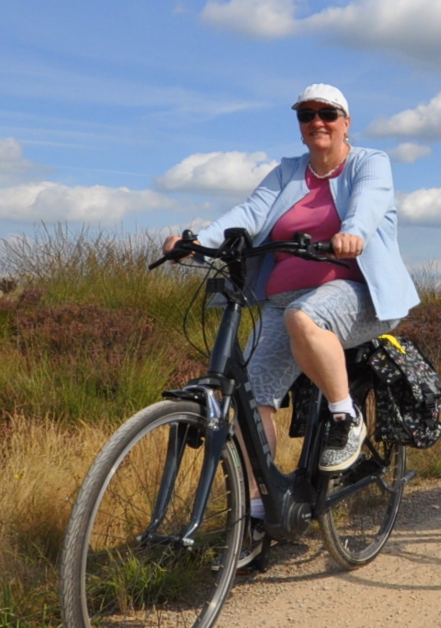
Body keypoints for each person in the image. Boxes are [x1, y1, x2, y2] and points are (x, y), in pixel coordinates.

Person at [168, 83, 419, 475]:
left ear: (346, 123)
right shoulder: (287, 171)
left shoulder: (369, 162)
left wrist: (353, 233)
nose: (317, 121)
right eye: (307, 115)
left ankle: (344, 416)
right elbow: (250, 213)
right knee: (250, 402)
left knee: (304, 317)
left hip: (357, 294)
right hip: (283, 300)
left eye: (328, 114)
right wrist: (199, 242)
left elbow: (369, 201)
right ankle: (257, 510)